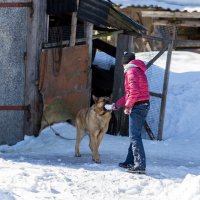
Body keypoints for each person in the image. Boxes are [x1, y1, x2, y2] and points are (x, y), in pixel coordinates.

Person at [112, 52, 150, 174]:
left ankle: (140, 165)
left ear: (125, 63)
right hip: (142, 105)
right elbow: (129, 94)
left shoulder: (131, 71)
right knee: (134, 135)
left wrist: (128, 106)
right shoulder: (138, 70)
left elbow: (134, 93)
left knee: (134, 136)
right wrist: (117, 104)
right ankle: (130, 161)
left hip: (138, 106)